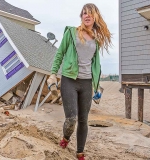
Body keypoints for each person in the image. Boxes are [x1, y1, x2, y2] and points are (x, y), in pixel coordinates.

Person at [47, 3, 112, 160]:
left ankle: (80, 152)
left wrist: (96, 86)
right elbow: (60, 54)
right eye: (84, 13)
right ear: (81, 17)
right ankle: (66, 138)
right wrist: (53, 74)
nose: (87, 15)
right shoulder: (71, 33)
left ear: (95, 16)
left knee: (83, 120)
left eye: (90, 13)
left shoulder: (96, 40)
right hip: (69, 80)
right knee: (71, 118)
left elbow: (96, 64)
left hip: (87, 83)